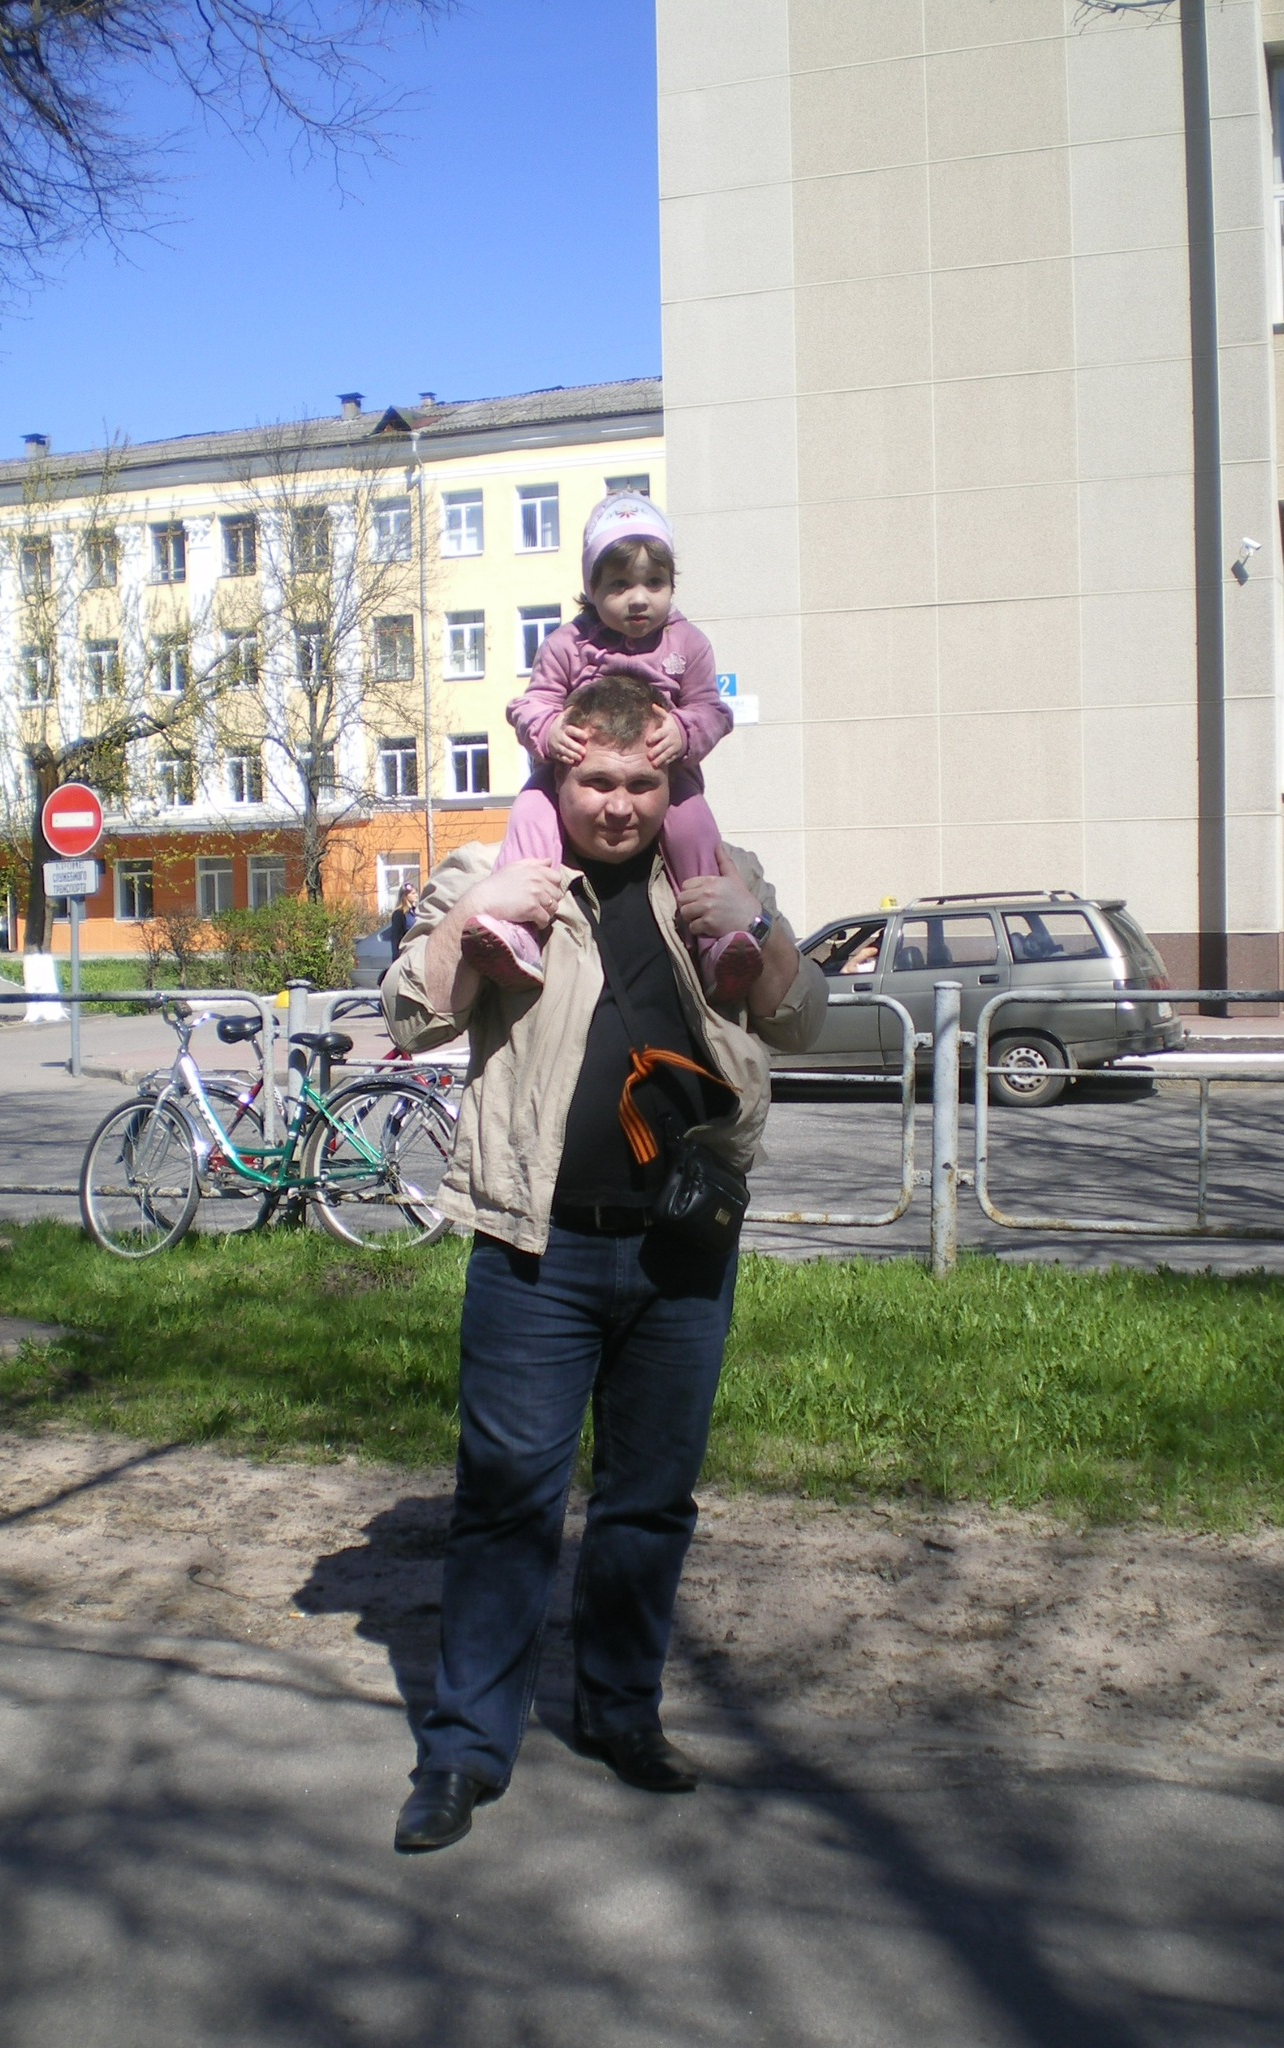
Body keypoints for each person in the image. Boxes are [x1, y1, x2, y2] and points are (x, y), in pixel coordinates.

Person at [381, 672, 826, 1854]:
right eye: (597, 781)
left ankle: (621, 1712)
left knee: (648, 1501)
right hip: (538, 1245)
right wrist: (476, 921)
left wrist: (760, 924)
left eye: (641, 782)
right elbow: (412, 1015)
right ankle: (465, 1750)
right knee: (507, 1501)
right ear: (559, 770)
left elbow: (803, 1020)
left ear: (671, 778)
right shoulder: (498, 866)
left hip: (684, 1244)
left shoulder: (719, 871)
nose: (620, 804)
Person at [459, 491, 760, 1005]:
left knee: (693, 825)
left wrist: (684, 731)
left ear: (671, 585)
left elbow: (712, 710)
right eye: (619, 585)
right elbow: (531, 703)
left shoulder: (687, 644)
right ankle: (520, 930)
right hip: (571, 767)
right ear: (591, 588)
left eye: (654, 582)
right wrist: (550, 730)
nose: (638, 599)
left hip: (666, 771)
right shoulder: (568, 643)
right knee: (531, 809)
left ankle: (715, 943)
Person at [387, 881, 419, 953]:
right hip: (406, 951)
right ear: (405, 896)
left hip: (416, 951)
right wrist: (397, 956)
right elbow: (396, 937)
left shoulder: (416, 911)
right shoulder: (399, 914)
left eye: (416, 893)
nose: (416, 895)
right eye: (413, 893)